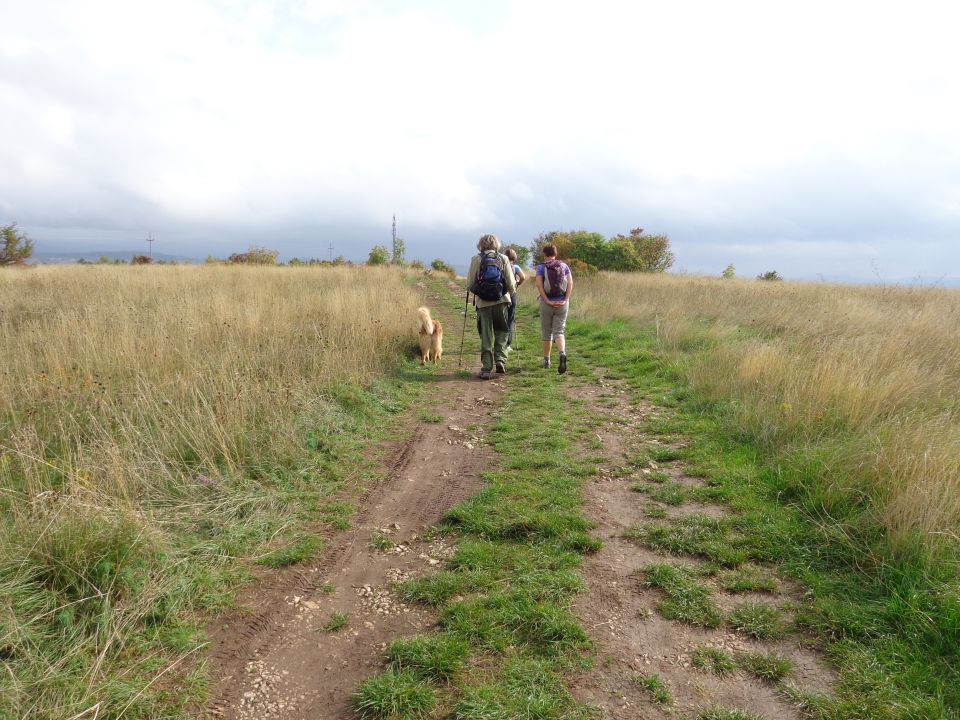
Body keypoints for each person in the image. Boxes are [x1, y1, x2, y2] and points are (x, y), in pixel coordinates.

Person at [467, 234, 517, 379]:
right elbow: (512, 283)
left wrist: (480, 292)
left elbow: (469, 284)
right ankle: (500, 359)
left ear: (481, 244)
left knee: (486, 335)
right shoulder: (504, 258)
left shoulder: (476, 259)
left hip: (483, 304)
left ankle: (487, 368)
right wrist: (508, 296)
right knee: (502, 330)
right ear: (496, 244)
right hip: (501, 301)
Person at [535, 243, 573, 374]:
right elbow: (570, 284)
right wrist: (565, 300)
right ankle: (562, 353)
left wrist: (547, 301)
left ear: (544, 254)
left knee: (547, 332)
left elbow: (539, 285)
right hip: (562, 302)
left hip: (547, 303)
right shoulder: (564, 266)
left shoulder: (541, 267)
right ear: (555, 254)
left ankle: (547, 360)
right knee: (559, 331)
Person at [504, 247, 525, 352]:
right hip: (512, 294)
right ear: (514, 257)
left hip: (501, 295)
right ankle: (508, 345)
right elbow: (523, 277)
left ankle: (499, 342)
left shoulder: (502, 265)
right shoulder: (515, 267)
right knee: (510, 319)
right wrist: (517, 284)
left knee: (501, 318)